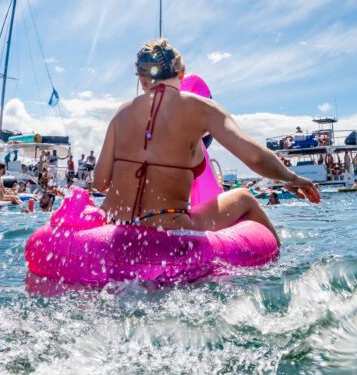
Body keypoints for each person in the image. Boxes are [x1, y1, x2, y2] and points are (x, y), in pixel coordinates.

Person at [94, 39, 320, 246]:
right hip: (169, 230)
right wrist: (292, 178)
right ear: (181, 74)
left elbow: (100, 182)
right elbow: (254, 156)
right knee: (244, 198)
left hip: (114, 230)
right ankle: (279, 272)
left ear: (141, 79)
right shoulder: (203, 108)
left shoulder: (121, 113)